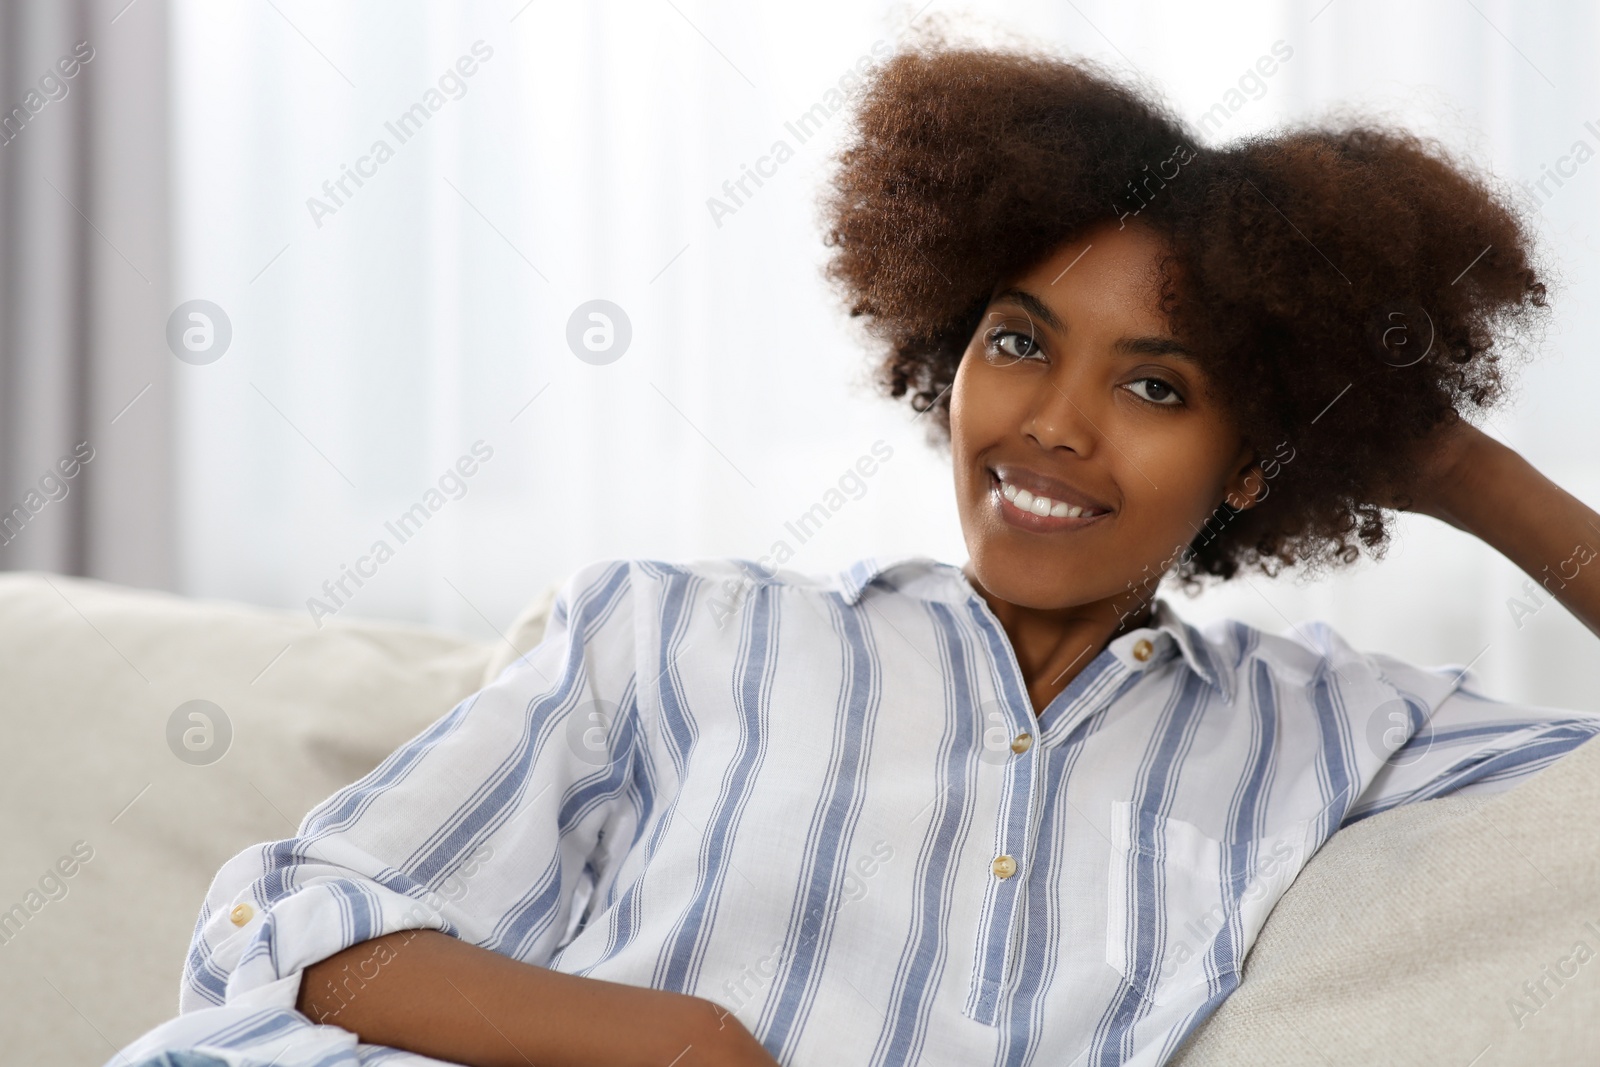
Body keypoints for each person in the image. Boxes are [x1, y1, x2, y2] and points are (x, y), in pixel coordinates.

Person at [110, 37, 1600, 1067]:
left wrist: (1459, 466)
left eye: (1159, 386)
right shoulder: (674, 632)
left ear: (1255, 463)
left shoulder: (1322, 726)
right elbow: (285, 921)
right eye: (1018, 342)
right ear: (945, 350)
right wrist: (674, 1042)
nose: (1058, 426)